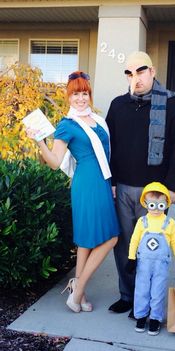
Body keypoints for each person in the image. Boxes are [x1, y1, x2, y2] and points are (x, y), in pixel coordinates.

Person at [26, 71, 120, 313]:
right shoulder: (67, 125)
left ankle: (78, 292)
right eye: (75, 93)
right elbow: (56, 162)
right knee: (111, 237)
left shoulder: (98, 121)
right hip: (87, 184)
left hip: (102, 181)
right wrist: (39, 141)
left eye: (84, 93)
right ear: (68, 97)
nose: (80, 98)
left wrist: (112, 183)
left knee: (87, 242)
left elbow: (109, 155)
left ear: (89, 94)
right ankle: (77, 291)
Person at [106, 51, 175, 318]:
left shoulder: (173, 105)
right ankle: (127, 296)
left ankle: (146, 302)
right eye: (129, 73)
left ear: (152, 71)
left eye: (140, 71)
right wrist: (112, 181)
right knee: (125, 244)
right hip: (123, 188)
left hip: (156, 192)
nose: (135, 78)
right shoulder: (118, 105)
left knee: (152, 247)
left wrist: (172, 187)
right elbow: (111, 146)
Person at [126, 182, 175, 335]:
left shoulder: (169, 223)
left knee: (157, 291)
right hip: (143, 264)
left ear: (166, 204)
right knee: (142, 290)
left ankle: (155, 319)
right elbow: (134, 240)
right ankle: (141, 316)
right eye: (152, 205)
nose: (156, 209)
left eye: (160, 205)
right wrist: (131, 258)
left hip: (161, 264)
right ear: (145, 203)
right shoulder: (142, 222)